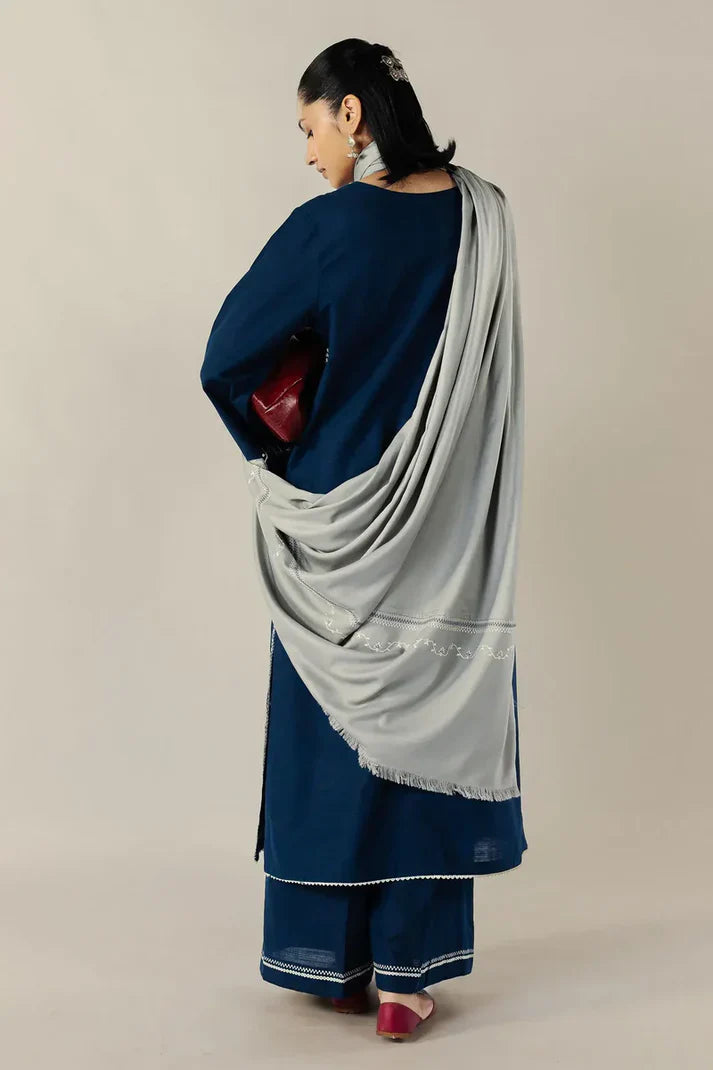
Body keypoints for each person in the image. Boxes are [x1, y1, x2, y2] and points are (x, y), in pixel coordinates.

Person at [200, 38, 527, 1041]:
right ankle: (402, 978)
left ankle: (334, 961)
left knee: (334, 735)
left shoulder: (328, 226)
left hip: (335, 519)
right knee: (429, 727)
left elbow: (224, 358)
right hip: (448, 527)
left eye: (309, 127)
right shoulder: (484, 217)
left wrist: (279, 451)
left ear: (350, 113)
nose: (307, 152)